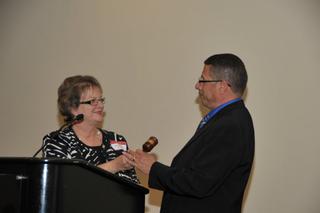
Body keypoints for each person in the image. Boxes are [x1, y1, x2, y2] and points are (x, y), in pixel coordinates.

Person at [126, 53, 255, 212]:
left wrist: (153, 169)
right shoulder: (227, 118)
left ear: (222, 86)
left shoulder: (230, 125)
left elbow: (199, 182)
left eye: (202, 80)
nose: (197, 85)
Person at [42, 75, 139, 184]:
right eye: (93, 101)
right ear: (73, 108)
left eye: (101, 100)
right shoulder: (57, 141)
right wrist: (113, 166)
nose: (101, 105)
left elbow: (133, 185)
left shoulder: (116, 140)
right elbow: (64, 183)